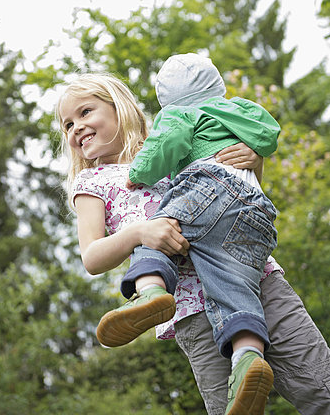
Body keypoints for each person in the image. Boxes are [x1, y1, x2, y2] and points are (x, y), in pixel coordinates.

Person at [57, 71, 330, 415]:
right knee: (229, 407)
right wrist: (141, 233)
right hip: (189, 308)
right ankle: (150, 296)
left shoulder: (174, 144)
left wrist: (252, 161)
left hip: (256, 280)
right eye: (67, 125)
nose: (76, 128)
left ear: (120, 109)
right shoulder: (92, 182)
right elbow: (92, 257)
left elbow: (235, 195)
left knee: (320, 385)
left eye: (85, 113)